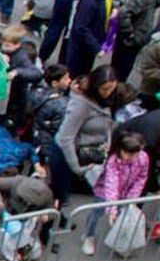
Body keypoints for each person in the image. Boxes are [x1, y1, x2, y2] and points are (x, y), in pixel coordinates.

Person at [53, 65, 125, 207]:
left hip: (86, 150)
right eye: (105, 89)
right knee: (59, 194)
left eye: (112, 89)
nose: (109, 93)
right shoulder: (81, 105)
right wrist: (77, 168)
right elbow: (65, 138)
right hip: (67, 155)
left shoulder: (104, 100)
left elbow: (107, 122)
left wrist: (107, 142)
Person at [81, 131, 149, 255]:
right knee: (96, 214)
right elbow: (111, 184)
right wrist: (112, 209)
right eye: (126, 153)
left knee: (121, 216)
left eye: (133, 154)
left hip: (126, 192)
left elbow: (141, 178)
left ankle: (120, 241)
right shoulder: (113, 161)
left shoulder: (143, 158)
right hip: (104, 191)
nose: (129, 157)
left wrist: (131, 198)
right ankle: (88, 235)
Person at [65, 0, 117, 78]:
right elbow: (81, 28)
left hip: (91, 46)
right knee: (77, 76)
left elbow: (110, 3)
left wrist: (113, 9)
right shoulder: (89, 3)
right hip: (81, 49)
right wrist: (96, 48)